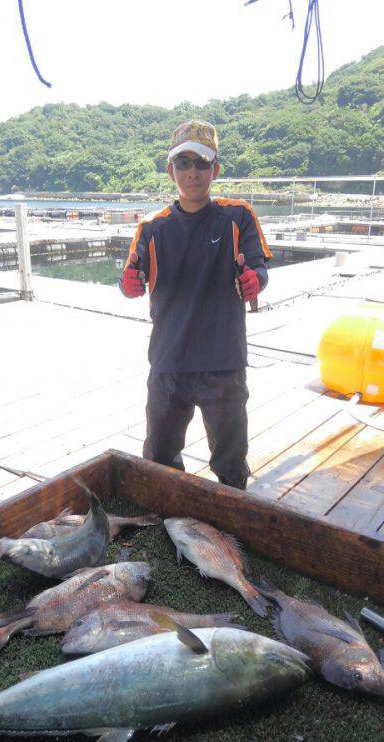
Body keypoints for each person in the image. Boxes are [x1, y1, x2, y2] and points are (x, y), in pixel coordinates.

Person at [119, 120, 271, 490]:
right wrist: (128, 284)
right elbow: (131, 279)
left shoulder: (238, 216)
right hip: (169, 363)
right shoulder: (152, 227)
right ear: (171, 170)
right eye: (183, 163)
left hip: (223, 364)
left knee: (231, 462)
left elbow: (258, 269)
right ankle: (168, 519)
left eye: (201, 163)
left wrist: (254, 281)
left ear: (215, 170)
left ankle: (231, 523)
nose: (192, 172)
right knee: (159, 457)